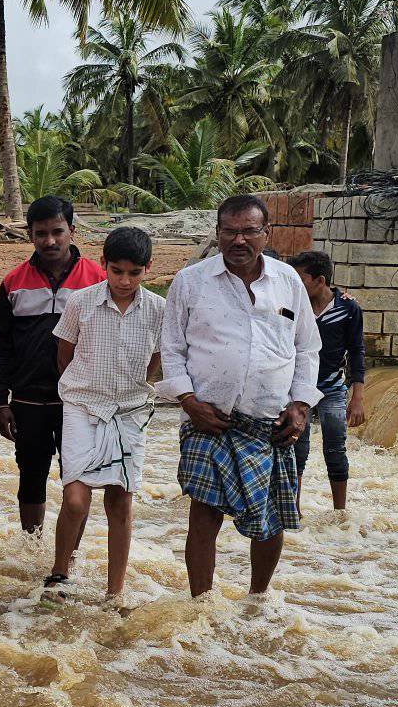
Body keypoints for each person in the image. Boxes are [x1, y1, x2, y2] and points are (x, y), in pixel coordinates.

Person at [157, 195, 319, 599]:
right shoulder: (190, 282)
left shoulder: (288, 281)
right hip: (207, 417)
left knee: (272, 518)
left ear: (267, 233)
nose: (239, 240)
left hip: (271, 421)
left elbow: (307, 348)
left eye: (249, 230)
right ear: (217, 233)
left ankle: (257, 600)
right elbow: (171, 348)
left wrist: (300, 405)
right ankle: (201, 606)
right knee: (204, 512)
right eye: (230, 231)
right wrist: (188, 401)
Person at [47, 227, 164, 598]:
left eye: (134, 272)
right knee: (76, 499)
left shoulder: (160, 310)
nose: (124, 280)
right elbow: (64, 354)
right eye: (117, 271)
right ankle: (59, 571)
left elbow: (157, 362)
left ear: (148, 268)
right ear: (103, 266)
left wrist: (135, 389)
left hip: (130, 411)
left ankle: (114, 593)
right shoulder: (80, 302)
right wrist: (80, 389)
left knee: (120, 500)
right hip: (82, 405)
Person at [0, 196, 105, 534]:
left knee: (79, 481)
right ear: (30, 235)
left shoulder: (98, 279)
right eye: (41, 233)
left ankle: (68, 559)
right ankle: (32, 550)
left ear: (72, 230)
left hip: (80, 402)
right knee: (31, 477)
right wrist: (1, 401)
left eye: (58, 231)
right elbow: (2, 345)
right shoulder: (13, 282)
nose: (50, 241)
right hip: (28, 400)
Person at [285, 250, 368, 513]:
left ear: (320, 281)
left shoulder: (347, 308)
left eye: (300, 280)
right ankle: (293, 510)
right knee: (297, 448)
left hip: (332, 388)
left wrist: (357, 397)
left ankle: (339, 512)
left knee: (335, 449)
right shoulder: (292, 306)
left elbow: (357, 351)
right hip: (298, 388)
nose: (294, 286)